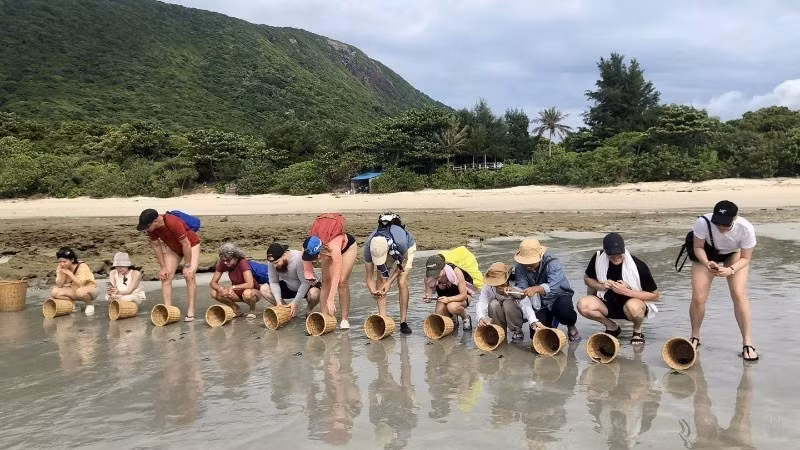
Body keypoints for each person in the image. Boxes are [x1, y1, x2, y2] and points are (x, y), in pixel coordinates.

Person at [688, 200, 758, 361]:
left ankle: (748, 343)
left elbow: (746, 258)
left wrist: (731, 270)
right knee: (698, 297)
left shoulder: (746, 228)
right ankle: (695, 336)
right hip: (707, 253)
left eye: (725, 224)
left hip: (734, 254)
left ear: (734, 219)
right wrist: (707, 263)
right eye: (717, 223)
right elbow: (697, 247)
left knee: (739, 294)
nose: (721, 227)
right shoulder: (702, 223)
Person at [578, 233, 660, 344]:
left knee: (634, 307)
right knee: (582, 305)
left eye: (619, 253)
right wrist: (601, 286)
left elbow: (655, 296)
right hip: (607, 304)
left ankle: (637, 331)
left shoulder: (638, 266)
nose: (616, 257)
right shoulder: (598, 258)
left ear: (624, 250)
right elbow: (587, 279)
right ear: (605, 252)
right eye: (612, 254)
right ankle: (612, 326)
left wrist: (626, 291)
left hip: (631, 308)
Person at [138, 208, 200, 321]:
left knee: (189, 275)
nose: (146, 230)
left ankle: (191, 311)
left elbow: (186, 244)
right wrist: (163, 267)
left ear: (155, 221)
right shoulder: (151, 229)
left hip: (191, 245)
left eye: (147, 226)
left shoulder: (173, 222)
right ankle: (168, 309)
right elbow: (156, 246)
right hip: (174, 248)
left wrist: (187, 265)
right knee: (165, 277)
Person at [514, 239, 581, 341]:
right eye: (525, 263)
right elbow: (522, 286)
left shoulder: (553, 263)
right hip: (539, 302)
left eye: (531, 262)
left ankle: (571, 325)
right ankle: (551, 320)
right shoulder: (519, 267)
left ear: (540, 256)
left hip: (559, 295)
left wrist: (538, 288)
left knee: (565, 312)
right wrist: (518, 292)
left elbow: (555, 287)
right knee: (537, 335)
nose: (527, 266)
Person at [364, 212, 417, 334]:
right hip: (384, 247)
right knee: (381, 280)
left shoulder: (402, 243)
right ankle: (383, 319)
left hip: (404, 248)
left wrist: (390, 282)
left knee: (402, 281)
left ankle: (403, 321)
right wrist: (373, 290)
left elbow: (401, 265)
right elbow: (369, 277)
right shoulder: (368, 248)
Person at [303, 213, 357, 329]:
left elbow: (336, 275)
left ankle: (344, 319)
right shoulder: (307, 245)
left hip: (346, 247)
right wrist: (309, 274)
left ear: (320, 252)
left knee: (342, 282)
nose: (315, 261)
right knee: (326, 281)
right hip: (325, 250)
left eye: (316, 258)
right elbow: (306, 260)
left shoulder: (333, 248)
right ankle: (324, 316)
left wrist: (331, 299)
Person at [476, 262, 544, 342]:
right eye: (496, 285)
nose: (499, 287)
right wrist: (481, 317)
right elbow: (482, 303)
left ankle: (517, 330)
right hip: (497, 312)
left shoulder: (516, 285)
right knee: (494, 303)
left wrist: (533, 321)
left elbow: (525, 304)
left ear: (507, 278)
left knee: (507, 303)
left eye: (501, 284)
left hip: (516, 314)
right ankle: (499, 330)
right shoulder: (488, 287)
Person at [265, 242, 321, 318]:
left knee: (314, 294)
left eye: (276, 263)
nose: (274, 266)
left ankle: (309, 309)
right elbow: (273, 281)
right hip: (289, 285)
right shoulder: (272, 262)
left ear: (284, 255)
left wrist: (296, 302)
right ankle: (287, 310)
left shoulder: (298, 258)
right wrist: (278, 301)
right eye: (272, 264)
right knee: (264, 289)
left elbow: (305, 283)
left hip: (307, 285)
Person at [424, 252, 478, 331]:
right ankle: (453, 320)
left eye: (436, 274)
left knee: (452, 307)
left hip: (462, 297)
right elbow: (429, 294)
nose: (434, 276)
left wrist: (448, 299)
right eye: (432, 274)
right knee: (439, 316)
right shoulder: (428, 277)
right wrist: (427, 298)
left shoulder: (456, 272)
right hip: (444, 298)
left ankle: (465, 317)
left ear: (443, 268)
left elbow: (463, 295)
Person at [209, 242, 262, 319]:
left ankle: (252, 310)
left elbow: (250, 284)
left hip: (252, 292)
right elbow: (213, 282)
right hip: (237, 293)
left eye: (228, 260)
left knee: (247, 293)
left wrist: (232, 287)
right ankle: (236, 309)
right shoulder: (223, 263)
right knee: (214, 292)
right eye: (223, 260)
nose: (225, 262)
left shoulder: (242, 262)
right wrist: (220, 289)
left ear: (235, 257)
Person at [51, 247, 98, 316]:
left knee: (80, 291)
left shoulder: (82, 266)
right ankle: (72, 304)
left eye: (64, 261)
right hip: (73, 289)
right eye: (60, 262)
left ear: (72, 260)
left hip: (89, 289)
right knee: (54, 292)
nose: (62, 264)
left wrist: (69, 273)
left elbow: (81, 284)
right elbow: (59, 285)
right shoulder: (60, 267)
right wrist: (62, 274)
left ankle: (89, 305)